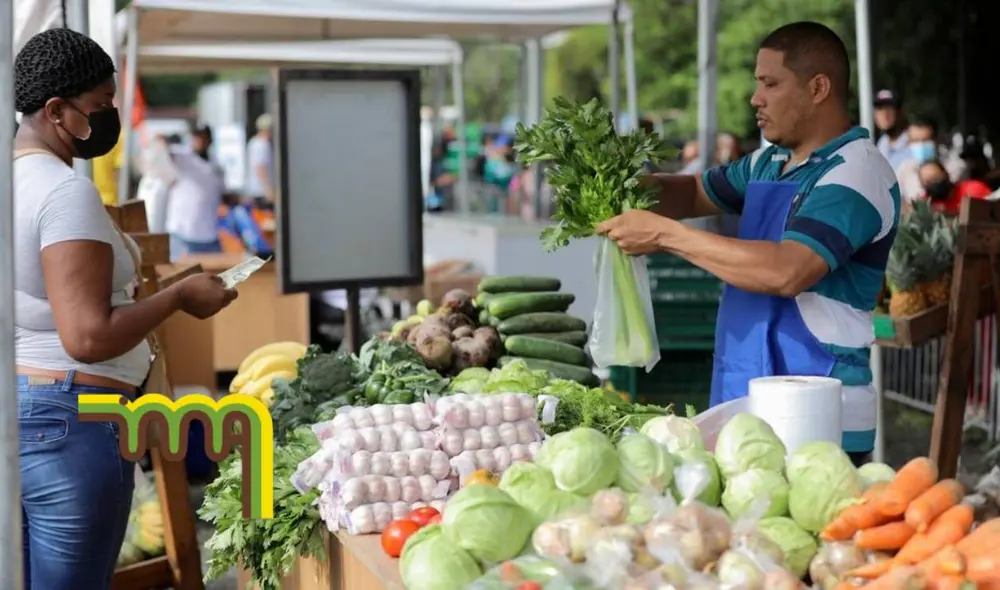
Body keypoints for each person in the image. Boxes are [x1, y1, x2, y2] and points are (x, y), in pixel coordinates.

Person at [597, 21, 898, 466]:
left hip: (818, 426)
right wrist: (613, 185)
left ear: (818, 88)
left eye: (770, 84)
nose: (755, 98)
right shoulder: (769, 162)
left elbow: (787, 271)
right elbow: (694, 192)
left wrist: (662, 234)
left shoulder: (856, 173)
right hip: (744, 406)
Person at [12, 28, 238, 588]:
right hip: (74, 420)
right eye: (101, 107)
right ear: (57, 110)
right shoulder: (64, 193)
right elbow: (88, 336)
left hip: (22, 407)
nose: (110, 117)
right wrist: (179, 296)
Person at [164, 123, 226, 259]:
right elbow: (160, 150)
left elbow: (221, 194)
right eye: (196, 137)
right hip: (182, 235)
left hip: (210, 236)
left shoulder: (217, 165)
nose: (199, 140)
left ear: (210, 140)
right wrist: (162, 139)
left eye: (203, 137)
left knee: (216, 277)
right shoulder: (182, 156)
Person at [918, 159, 992, 216]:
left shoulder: (973, 190)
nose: (933, 184)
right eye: (928, 182)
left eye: (935, 178)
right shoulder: (924, 206)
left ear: (945, 174)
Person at [873, 89, 911, 170]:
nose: (885, 114)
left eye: (889, 108)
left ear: (900, 112)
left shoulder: (914, 141)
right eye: (880, 109)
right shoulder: (882, 143)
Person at [245, 113, 275, 210]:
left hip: (256, 190)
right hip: (261, 192)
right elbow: (260, 167)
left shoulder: (254, 142)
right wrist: (268, 191)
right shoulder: (262, 144)